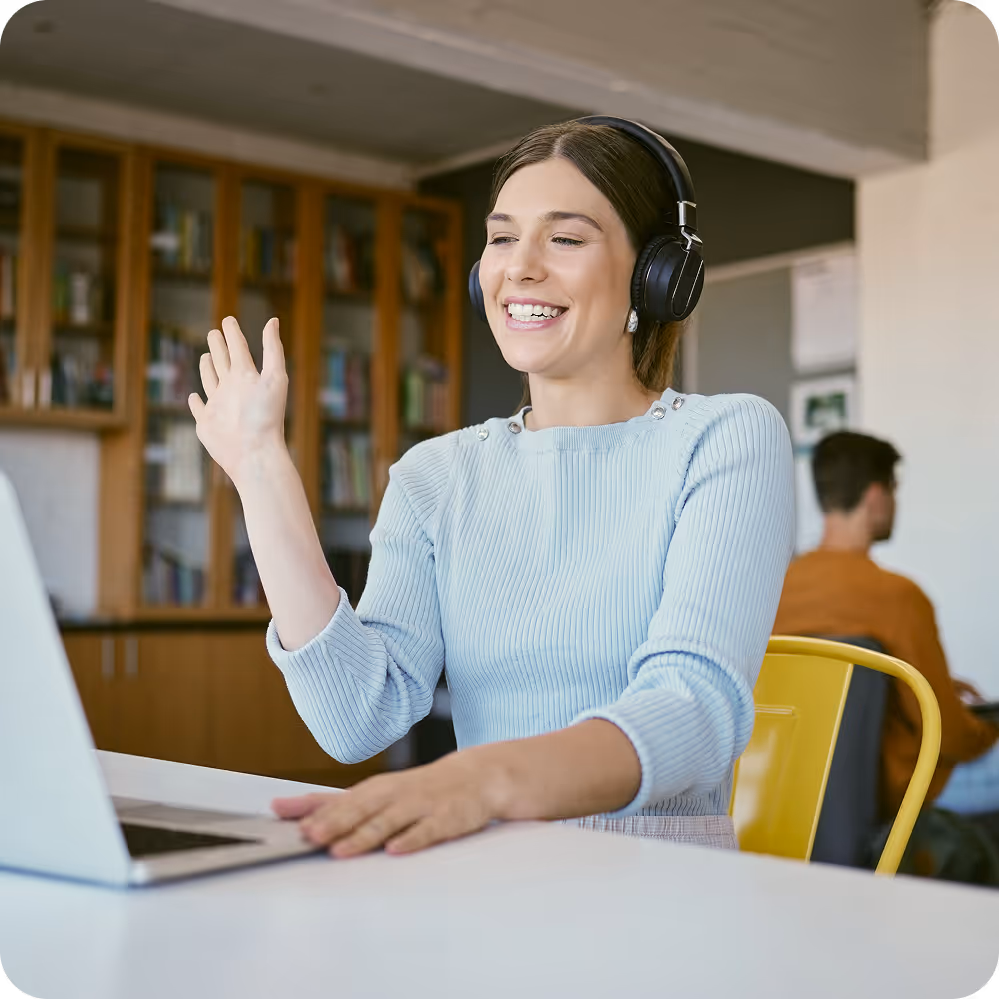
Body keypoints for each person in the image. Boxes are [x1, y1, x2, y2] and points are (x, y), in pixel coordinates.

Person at [188, 118, 794, 858]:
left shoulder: (724, 437)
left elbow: (693, 713)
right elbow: (355, 717)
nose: (520, 267)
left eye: (565, 239)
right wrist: (259, 468)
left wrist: (484, 780)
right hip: (484, 874)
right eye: (502, 238)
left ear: (654, 272)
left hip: (656, 887)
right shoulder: (434, 475)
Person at [774, 431, 999, 824]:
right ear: (876, 497)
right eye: (894, 491)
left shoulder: (776, 590)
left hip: (798, 795)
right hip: (901, 789)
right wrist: (989, 727)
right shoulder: (898, 596)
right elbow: (949, 735)